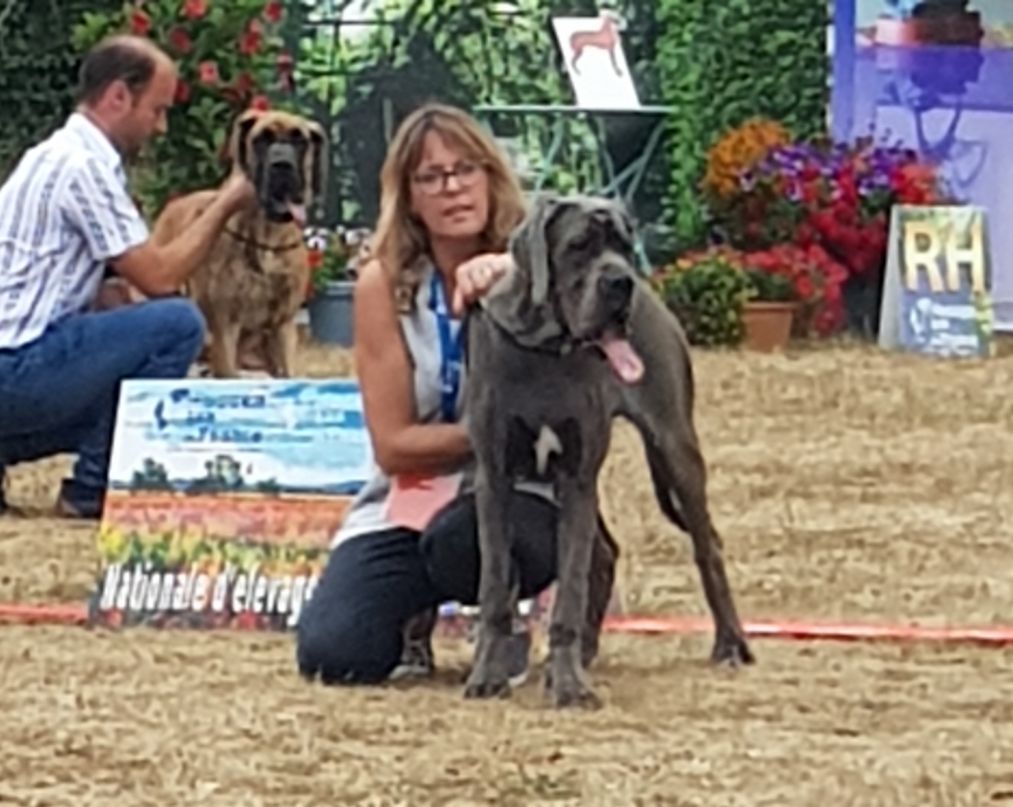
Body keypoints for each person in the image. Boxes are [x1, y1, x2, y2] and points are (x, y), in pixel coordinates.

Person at [295, 102, 618, 687]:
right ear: (408, 195)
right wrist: (492, 434)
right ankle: (413, 620)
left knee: (461, 539)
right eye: (430, 176)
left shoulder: (542, 275)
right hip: (409, 502)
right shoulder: (383, 285)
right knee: (335, 652)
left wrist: (510, 276)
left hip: (525, 494)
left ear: (491, 177)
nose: (452, 188)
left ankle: (508, 628)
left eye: (466, 169)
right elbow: (393, 446)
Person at [0, 34, 255, 517]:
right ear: (118, 96)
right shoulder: (83, 167)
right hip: (14, 372)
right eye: (156, 111)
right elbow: (159, 277)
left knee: (128, 321)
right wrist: (226, 202)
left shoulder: (46, 156)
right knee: (176, 323)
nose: (159, 128)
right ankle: (92, 489)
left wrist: (108, 298)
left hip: (13, 367)